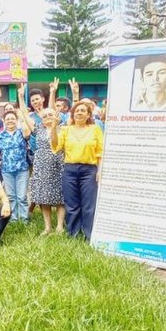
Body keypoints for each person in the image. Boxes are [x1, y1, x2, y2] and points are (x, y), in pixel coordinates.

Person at [49, 102, 104, 240]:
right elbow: (56, 146)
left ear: (88, 114)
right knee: (71, 203)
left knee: (88, 204)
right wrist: (54, 127)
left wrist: (100, 170)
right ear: (72, 114)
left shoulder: (95, 129)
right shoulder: (66, 130)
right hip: (70, 170)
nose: (79, 113)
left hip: (89, 170)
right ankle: (73, 233)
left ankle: (88, 234)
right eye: (77, 110)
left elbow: (100, 152)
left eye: (83, 110)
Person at [0, 85, 34, 222]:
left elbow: (28, 134)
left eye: (12, 119)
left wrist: (21, 117)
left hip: (22, 168)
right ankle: (13, 219)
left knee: (22, 196)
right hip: (7, 169)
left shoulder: (21, 132)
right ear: (4, 121)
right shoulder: (0, 135)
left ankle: (23, 219)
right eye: (8, 119)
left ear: (15, 120)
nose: (10, 121)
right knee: (11, 196)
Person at [29, 107, 66, 234]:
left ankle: (60, 226)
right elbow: (24, 116)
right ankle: (48, 227)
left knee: (60, 196)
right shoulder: (38, 129)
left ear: (56, 115)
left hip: (58, 164)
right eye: (44, 116)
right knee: (44, 196)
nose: (48, 117)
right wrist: (21, 98)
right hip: (41, 165)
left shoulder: (62, 128)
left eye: (50, 114)